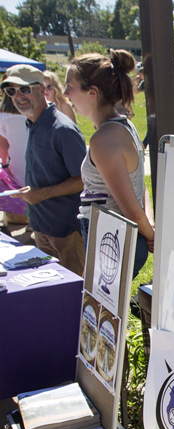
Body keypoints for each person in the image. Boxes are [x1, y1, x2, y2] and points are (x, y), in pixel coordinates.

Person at [65, 50, 154, 278]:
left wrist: (152, 235)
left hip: (112, 244)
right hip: (114, 242)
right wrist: (150, 227)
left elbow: (132, 210)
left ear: (92, 93)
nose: (65, 94)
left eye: (70, 86)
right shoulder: (123, 126)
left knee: (97, 314)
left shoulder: (104, 140)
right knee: (99, 313)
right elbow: (139, 186)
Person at [2, 64, 86, 274]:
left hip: (65, 230)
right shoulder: (32, 123)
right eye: (11, 91)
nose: (18, 96)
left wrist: (41, 194)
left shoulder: (62, 129)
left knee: (74, 295)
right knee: (53, 294)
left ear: (41, 89)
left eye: (24, 89)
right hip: (41, 226)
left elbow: (84, 179)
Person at [0, 75, 30, 233]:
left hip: (17, 163)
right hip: (35, 161)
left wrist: (5, 165)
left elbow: (3, 146)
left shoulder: (3, 115)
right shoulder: (32, 112)